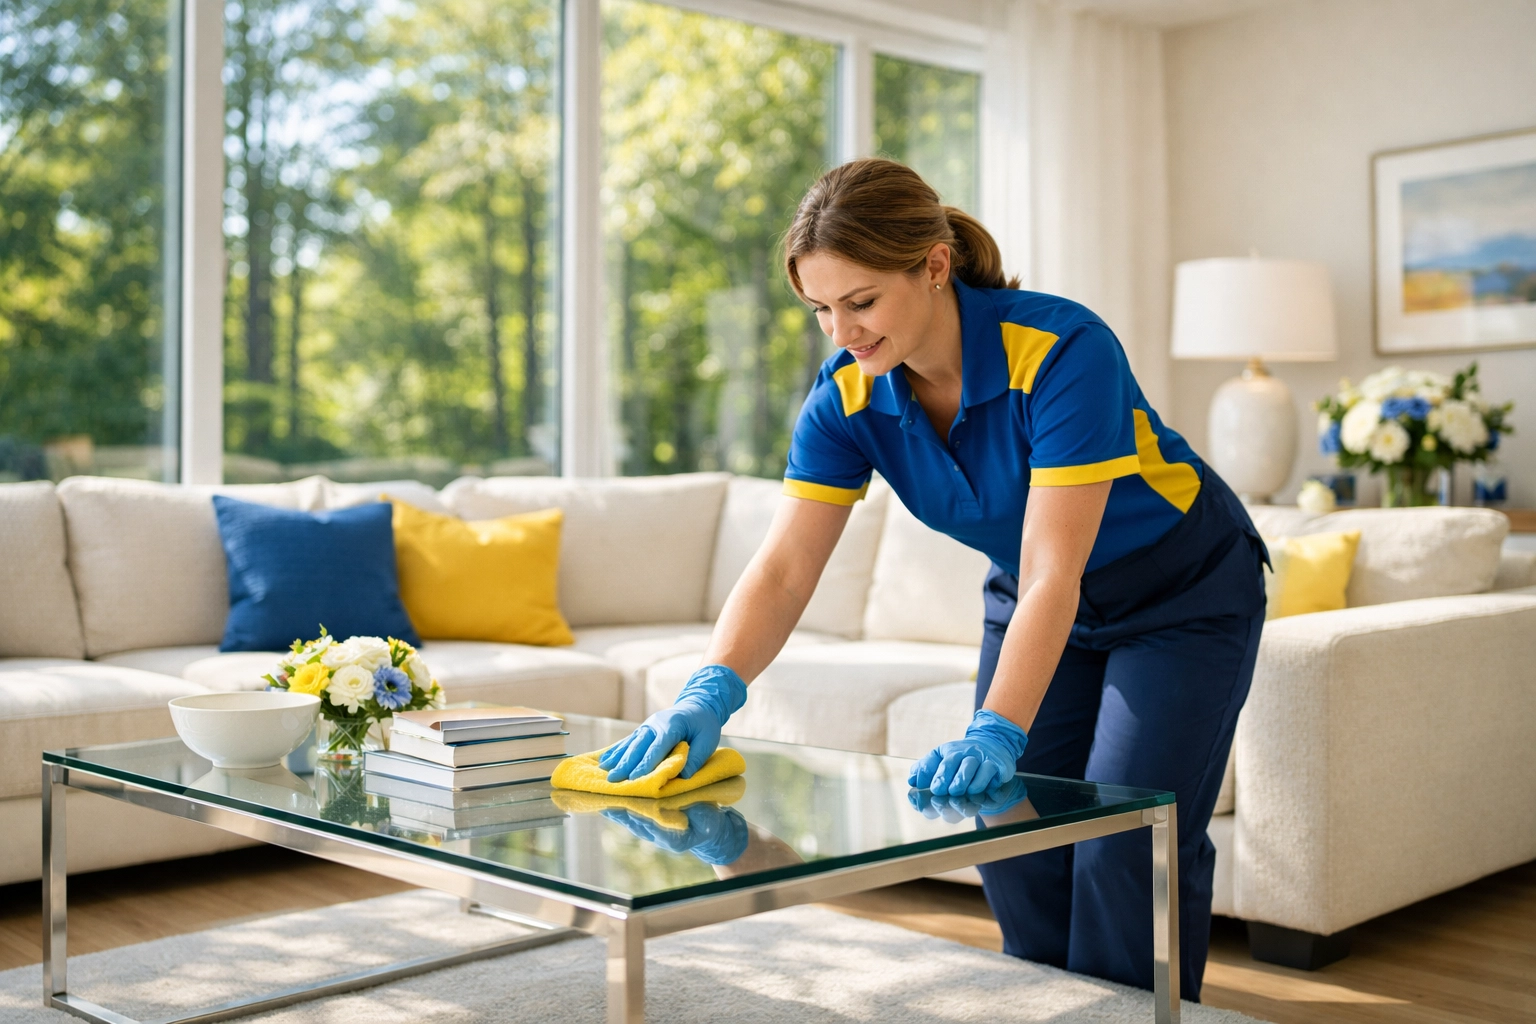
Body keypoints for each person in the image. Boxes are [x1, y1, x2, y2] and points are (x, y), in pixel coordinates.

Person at [599, 157, 1267, 1000]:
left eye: (862, 301)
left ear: (935, 265)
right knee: (1009, 827)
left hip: (1182, 595)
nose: (842, 331)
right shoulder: (846, 397)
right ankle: (1055, 1008)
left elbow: (1055, 568)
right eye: (820, 310)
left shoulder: (1062, 350)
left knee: (1125, 838)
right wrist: (710, 688)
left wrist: (995, 728)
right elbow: (785, 567)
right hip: (1029, 596)